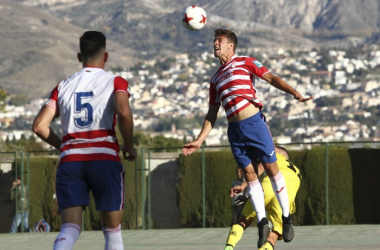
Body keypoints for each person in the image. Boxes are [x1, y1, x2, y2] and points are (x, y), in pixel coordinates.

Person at [182, 29, 312, 248]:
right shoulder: (215, 78)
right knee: (250, 174)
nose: (215, 43)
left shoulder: (245, 61)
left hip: (254, 124)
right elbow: (212, 113)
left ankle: (287, 218)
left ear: (230, 45)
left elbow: (271, 78)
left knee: (271, 169)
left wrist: (293, 92)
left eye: (219, 40)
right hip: (234, 130)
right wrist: (199, 140)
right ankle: (262, 222)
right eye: (214, 40)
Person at [32, 31, 136, 250]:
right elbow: (124, 113)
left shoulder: (63, 86)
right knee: (112, 232)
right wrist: (129, 145)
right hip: (104, 160)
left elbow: (40, 126)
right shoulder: (115, 82)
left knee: (69, 229)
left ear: (80, 57)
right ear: (105, 56)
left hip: (70, 163)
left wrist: (67, 147)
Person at [225, 146, 301, 250]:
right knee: (274, 234)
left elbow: (258, 169)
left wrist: (243, 185)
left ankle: (229, 246)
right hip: (285, 197)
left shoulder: (276, 156)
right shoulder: (297, 172)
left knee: (243, 220)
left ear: (283, 155)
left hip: (267, 188)